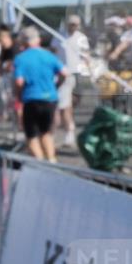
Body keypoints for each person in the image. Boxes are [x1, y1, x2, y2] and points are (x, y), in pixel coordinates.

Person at [14, 26, 68, 162]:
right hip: (50, 98)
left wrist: (19, 96)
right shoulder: (49, 55)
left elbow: (19, 82)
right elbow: (64, 73)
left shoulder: (21, 58)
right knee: (46, 133)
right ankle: (51, 160)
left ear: (24, 42)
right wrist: (56, 86)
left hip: (31, 98)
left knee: (31, 135)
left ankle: (40, 162)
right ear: (38, 39)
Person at [52, 14, 90, 149]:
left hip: (76, 73)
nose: (73, 26)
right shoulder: (58, 36)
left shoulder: (82, 38)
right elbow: (54, 51)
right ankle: (68, 134)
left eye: (75, 24)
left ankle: (68, 132)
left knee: (70, 105)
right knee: (65, 106)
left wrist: (87, 72)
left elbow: (86, 57)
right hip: (64, 74)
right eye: (71, 24)